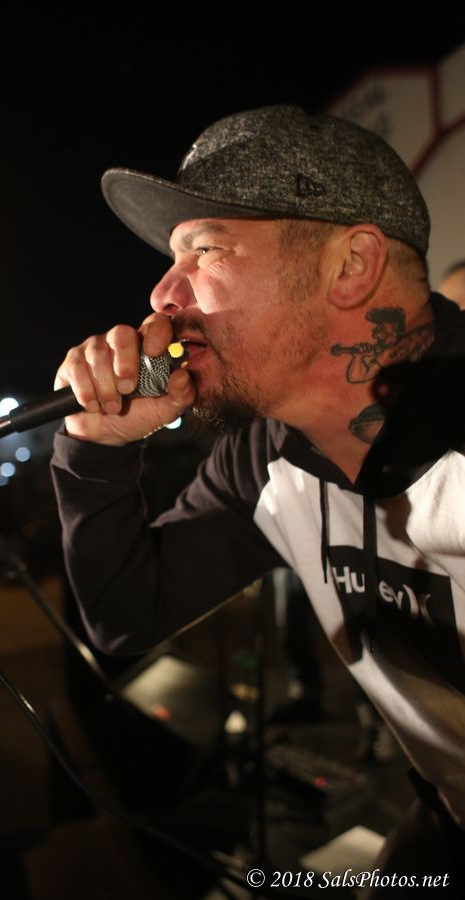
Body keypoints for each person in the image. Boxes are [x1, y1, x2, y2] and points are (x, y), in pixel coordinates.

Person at [50, 105, 465, 894]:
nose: (162, 293)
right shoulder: (268, 453)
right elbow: (128, 613)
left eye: (205, 249)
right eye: (172, 258)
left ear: (352, 266)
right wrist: (98, 450)